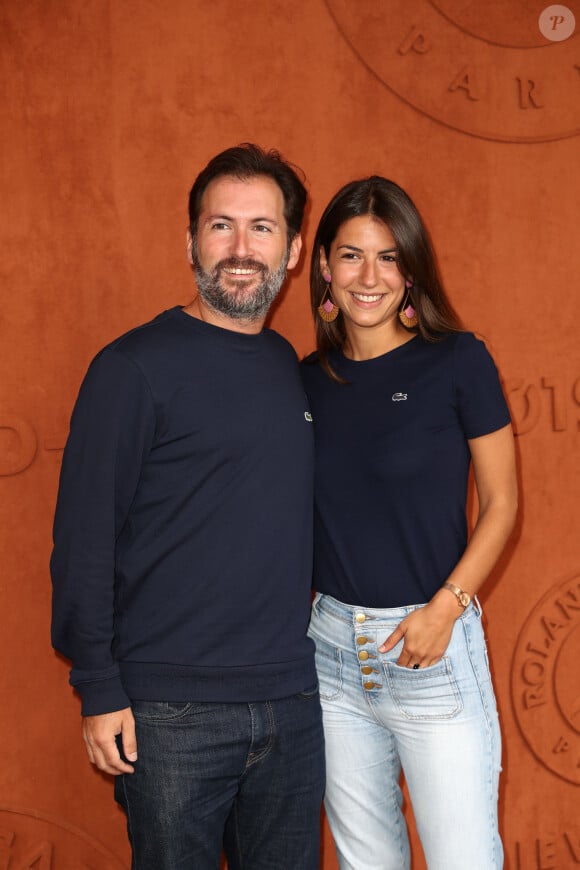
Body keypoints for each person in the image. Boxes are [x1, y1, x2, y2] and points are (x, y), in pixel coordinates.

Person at [50, 143, 325, 870]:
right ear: (190, 241)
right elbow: (83, 540)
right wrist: (99, 688)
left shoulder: (286, 369)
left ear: (294, 250)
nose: (240, 249)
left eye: (262, 229)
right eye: (220, 226)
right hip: (170, 715)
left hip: (293, 702)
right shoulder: (131, 369)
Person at [301, 176, 517, 870]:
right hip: (331, 655)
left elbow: (503, 502)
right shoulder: (305, 380)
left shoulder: (457, 361)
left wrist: (446, 608)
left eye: (389, 257)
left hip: (431, 645)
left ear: (412, 270)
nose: (370, 277)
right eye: (352, 255)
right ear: (326, 268)